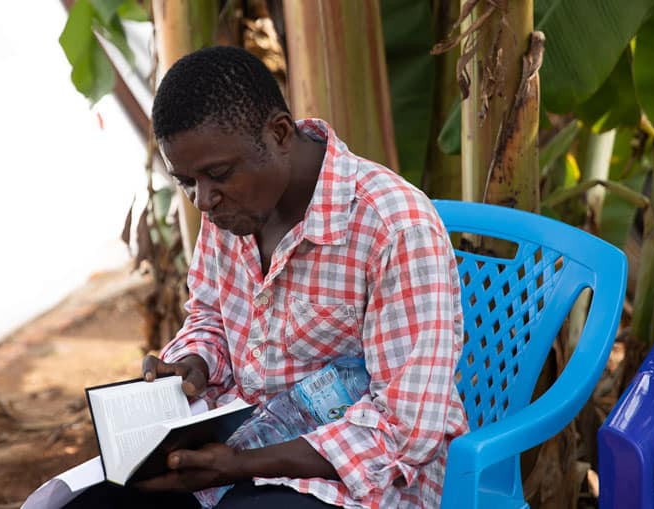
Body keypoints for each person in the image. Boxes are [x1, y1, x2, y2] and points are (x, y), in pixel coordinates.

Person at [104, 45, 466, 508]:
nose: (202, 200)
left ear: (278, 133)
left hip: (359, 484)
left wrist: (246, 465)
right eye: (187, 182)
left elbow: (405, 429)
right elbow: (210, 315)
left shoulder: (394, 228)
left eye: (217, 175)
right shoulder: (232, 210)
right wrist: (194, 361)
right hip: (239, 444)